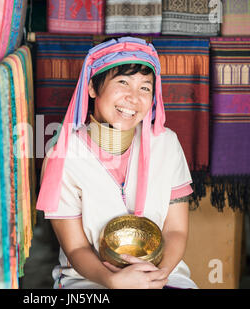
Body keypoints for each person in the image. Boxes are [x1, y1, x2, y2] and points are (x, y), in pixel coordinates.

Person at [36, 37, 198, 289]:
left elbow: (176, 230)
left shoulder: (166, 144)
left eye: (145, 87)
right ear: (92, 88)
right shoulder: (64, 157)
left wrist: (159, 274)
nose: (134, 97)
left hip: (163, 273)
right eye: (123, 82)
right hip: (90, 279)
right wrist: (113, 280)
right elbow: (76, 247)